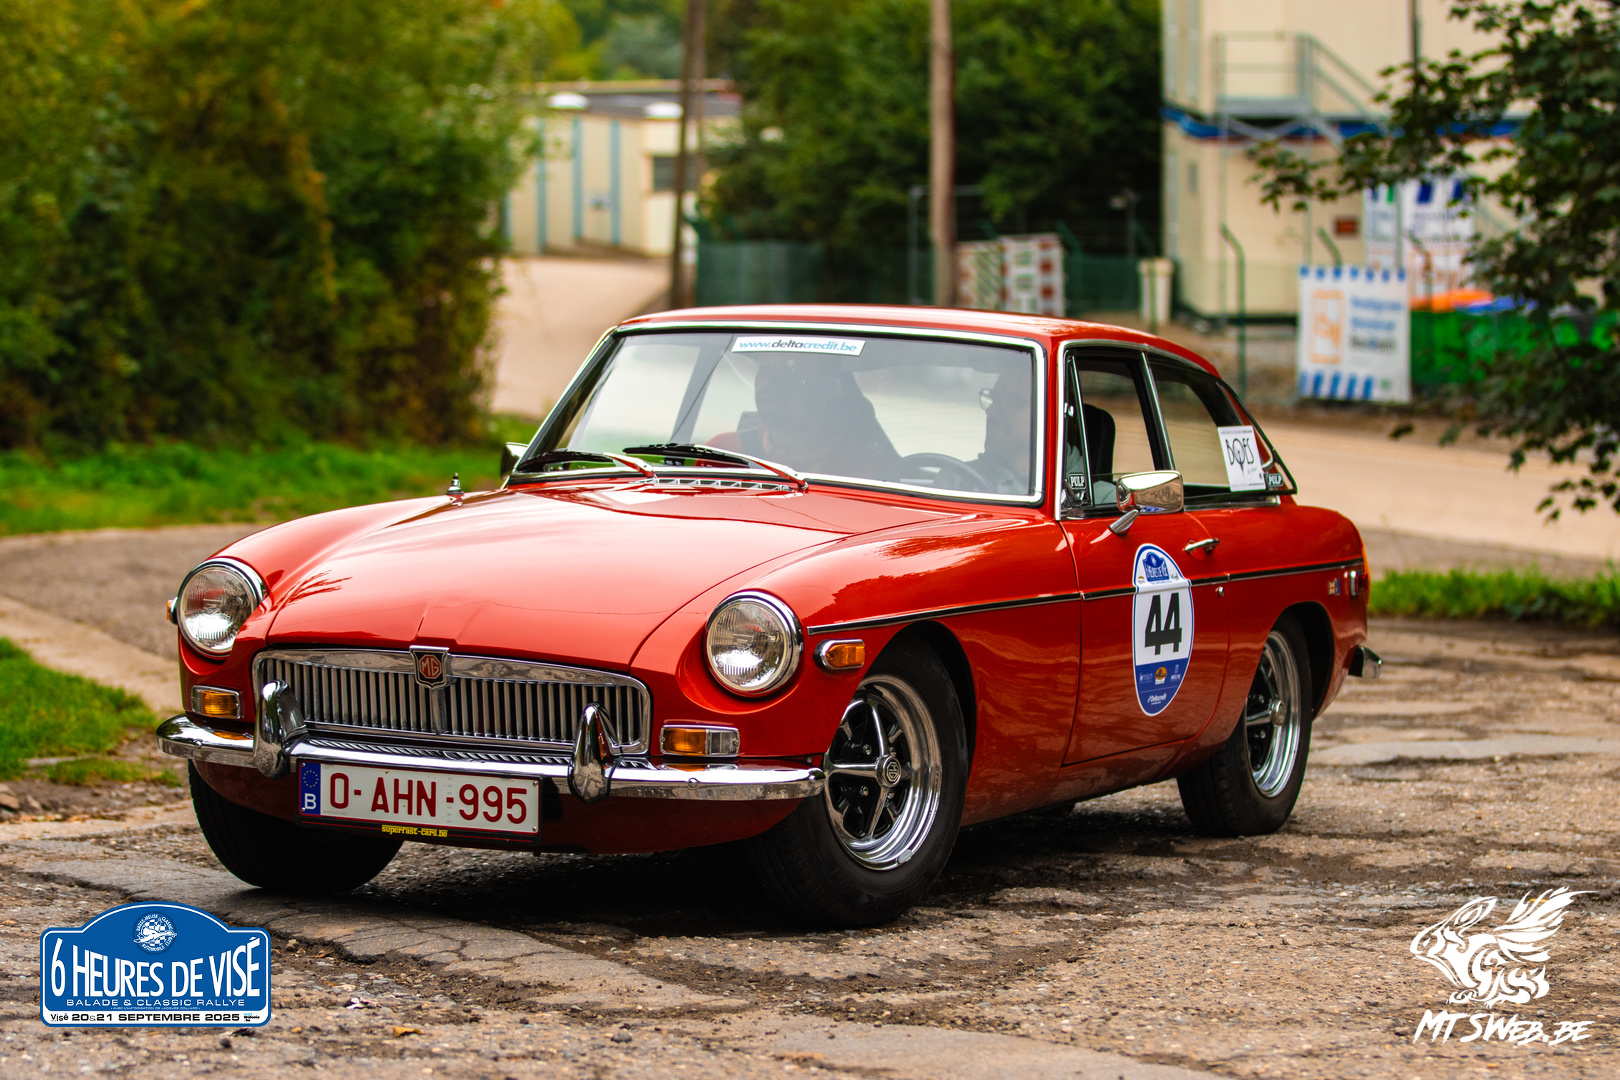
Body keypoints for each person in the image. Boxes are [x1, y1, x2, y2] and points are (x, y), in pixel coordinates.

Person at [736, 357, 900, 479]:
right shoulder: (729, 452)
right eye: (764, 367)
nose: (766, 383)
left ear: (827, 392)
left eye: (788, 374)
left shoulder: (866, 469)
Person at [968, 365, 1033, 495]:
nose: (991, 411)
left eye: (1012, 403)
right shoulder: (957, 478)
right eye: (994, 398)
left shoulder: (1068, 488)